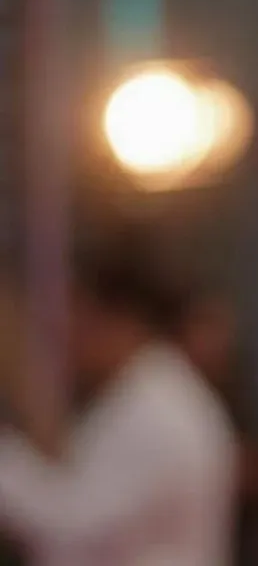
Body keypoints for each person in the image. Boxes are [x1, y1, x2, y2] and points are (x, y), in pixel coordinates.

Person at [0, 230, 237, 566]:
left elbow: (74, 526)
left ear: (115, 319)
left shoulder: (159, 411)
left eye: (77, 315)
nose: (67, 333)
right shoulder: (142, 394)